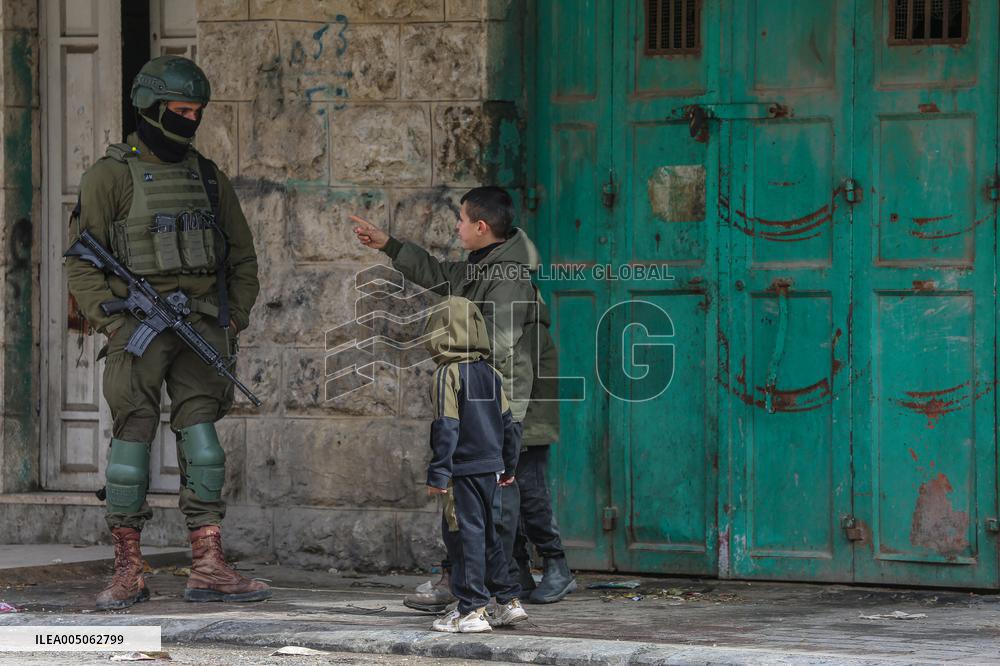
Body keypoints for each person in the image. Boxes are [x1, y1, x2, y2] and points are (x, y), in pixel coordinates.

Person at [65, 55, 268, 609]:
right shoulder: (109, 176)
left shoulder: (206, 175)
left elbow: (241, 256)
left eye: (198, 112)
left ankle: (208, 566)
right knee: (131, 440)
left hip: (200, 324)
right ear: (150, 109)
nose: (191, 121)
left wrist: (234, 315)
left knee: (203, 443)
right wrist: (110, 318)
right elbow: (82, 260)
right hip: (137, 327)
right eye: (181, 111)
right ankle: (128, 569)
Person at [352, 186, 540, 611]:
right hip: (482, 393)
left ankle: (475, 586)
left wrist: (455, 354)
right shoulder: (482, 265)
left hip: (491, 399)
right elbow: (440, 275)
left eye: (460, 219)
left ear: (481, 226)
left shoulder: (507, 274)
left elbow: (502, 341)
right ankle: (482, 582)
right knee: (476, 494)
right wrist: (390, 246)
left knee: (483, 496)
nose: (455, 226)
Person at [423, 296, 527, 632]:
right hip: (492, 468)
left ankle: (471, 610)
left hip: (462, 471)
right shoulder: (492, 374)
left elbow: (447, 426)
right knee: (491, 537)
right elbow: (510, 424)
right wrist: (509, 468)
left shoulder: (447, 374)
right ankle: (509, 601)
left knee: (463, 535)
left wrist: (439, 472)